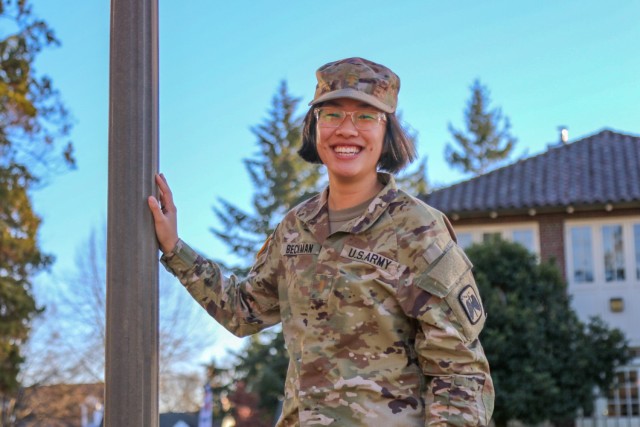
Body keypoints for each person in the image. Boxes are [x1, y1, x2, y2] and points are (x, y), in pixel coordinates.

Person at [148, 57, 494, 426]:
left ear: (387, 132)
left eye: (365, 116)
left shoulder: (419, 229)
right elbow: (243, 311)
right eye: (331, 115)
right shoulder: (296, 227)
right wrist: (174, 248)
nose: (347, 130)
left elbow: (459, 372)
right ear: (314, 128)